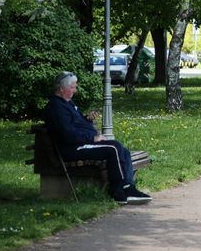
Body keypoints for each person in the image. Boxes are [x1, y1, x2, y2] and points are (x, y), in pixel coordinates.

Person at [44, 72, 152, 205]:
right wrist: (93, 138)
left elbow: (76, 124)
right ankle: (117, 190)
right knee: (113, 147)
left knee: (123, 150)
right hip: (73, 148)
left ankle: (128, 187)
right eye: (72, 87)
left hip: (81, 144)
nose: (75, 91)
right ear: (62, 89)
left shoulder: (67, 103)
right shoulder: (56, 108)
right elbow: (68, 134)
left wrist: (87, 119)